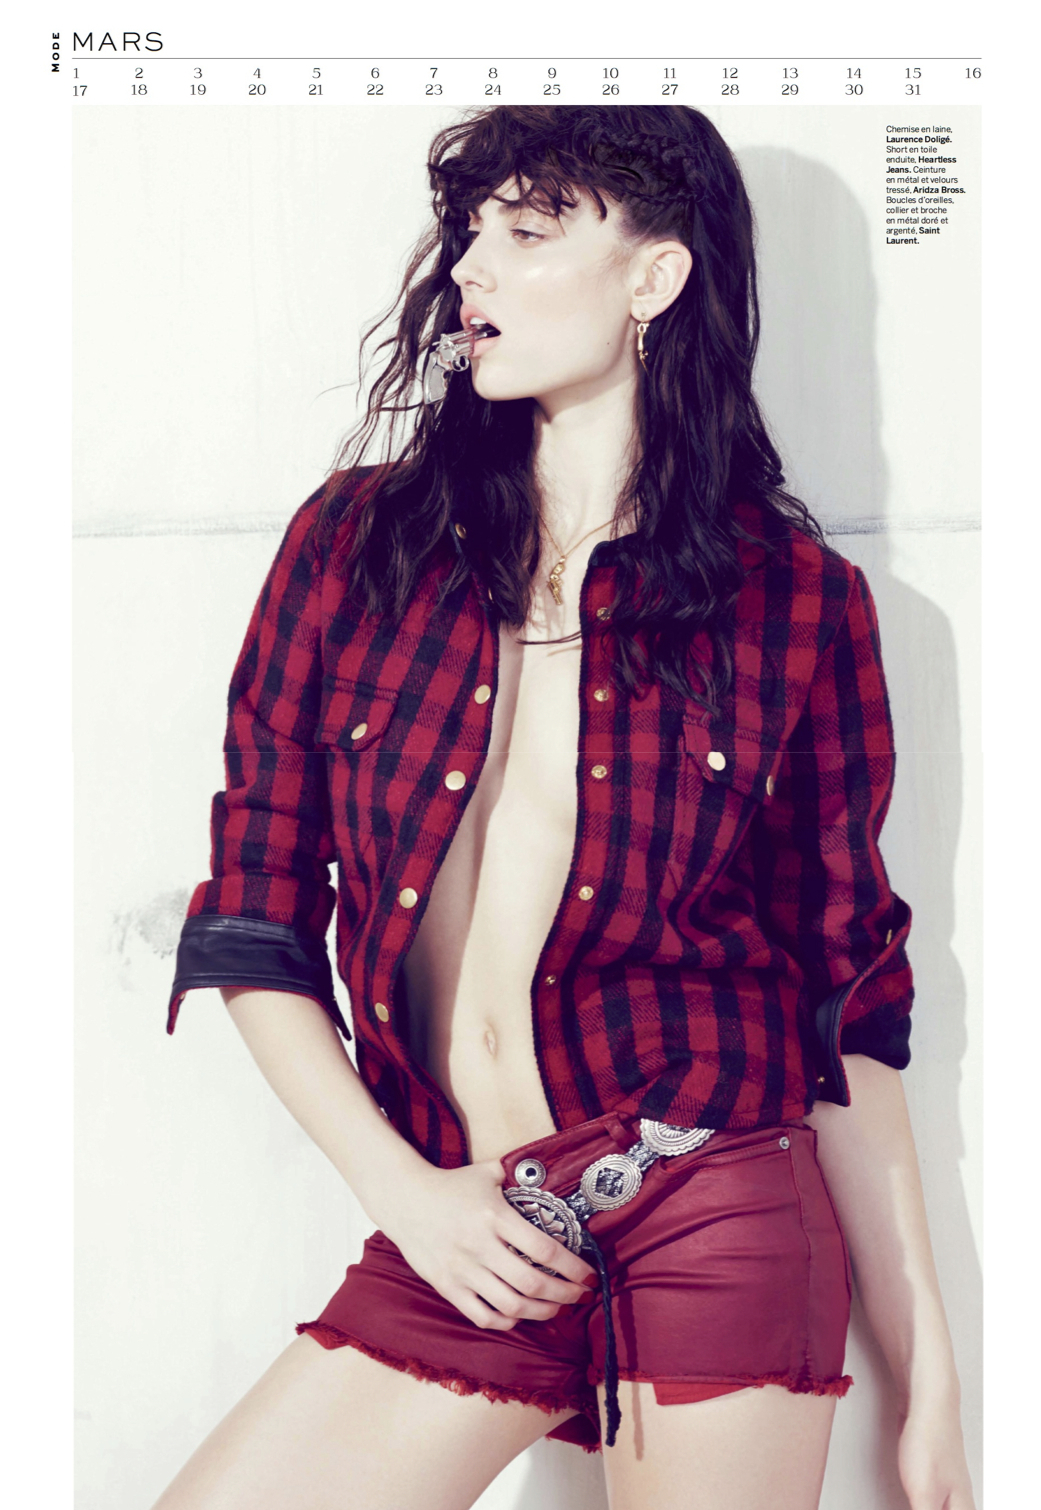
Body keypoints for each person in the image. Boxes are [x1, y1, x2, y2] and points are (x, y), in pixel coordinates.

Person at [153, 105, 975, 1510]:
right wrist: (407, 1197)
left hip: (713, 1194)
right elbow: (252, 919)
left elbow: (845, 1008)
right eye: (469, 231)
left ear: (654, 278)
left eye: (528, 232)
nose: (471, 267)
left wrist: (931, 1375)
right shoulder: (358, 544)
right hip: (466, 1217)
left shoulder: (795, 601)